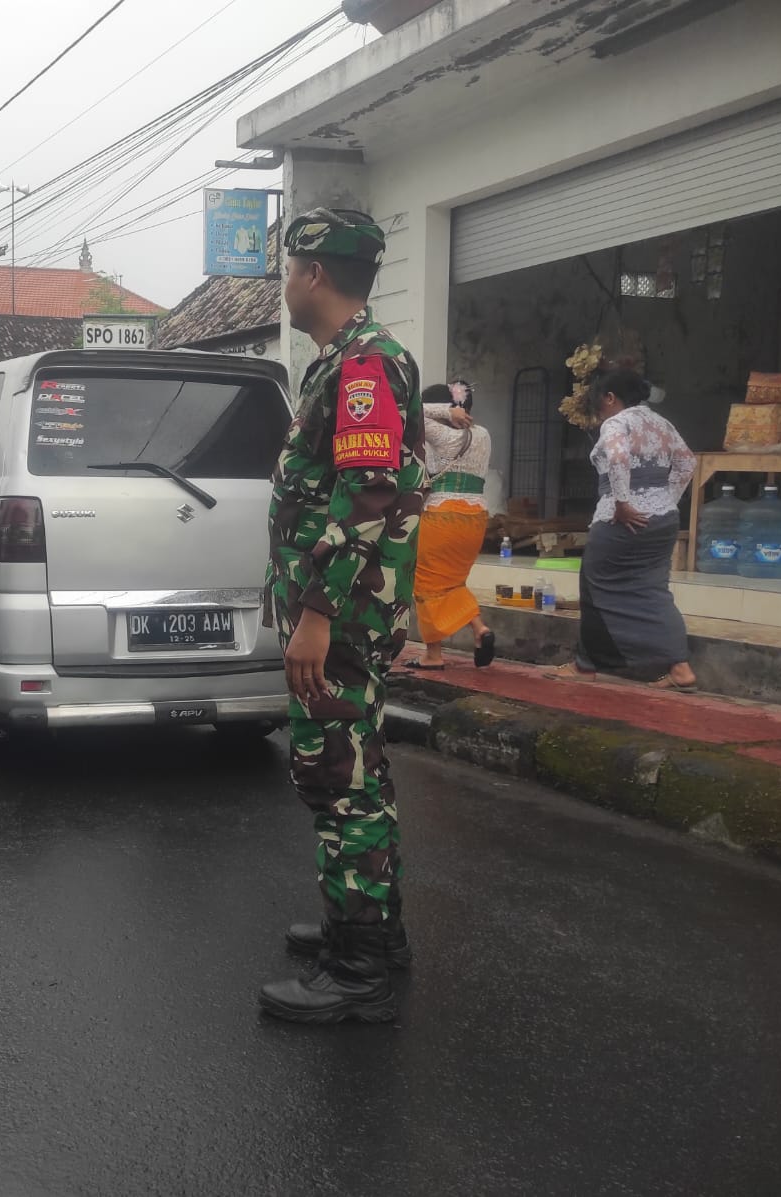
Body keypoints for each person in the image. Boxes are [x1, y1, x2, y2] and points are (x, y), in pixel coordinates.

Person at [257, 208, 427, 1024]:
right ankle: (366, 932)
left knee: (338, 777)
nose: (284, 283)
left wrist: (317, 612)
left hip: (344, 616)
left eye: (290, 267)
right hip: (344, 609)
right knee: (357, 769)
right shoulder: (343, 362)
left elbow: (369, 494)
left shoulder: (363, 367)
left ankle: (360, 970)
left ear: (315, 273)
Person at [547, 369, 698, 690]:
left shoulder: (617, 423)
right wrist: (664, 500)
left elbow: (618, 458)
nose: (599, 413)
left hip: (621, 520)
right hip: (663, 519)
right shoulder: (662, 423)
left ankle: (586, 665)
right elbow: (687, 463)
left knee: (594, 588)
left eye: (599, 404)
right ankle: (680, 668)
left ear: (611, 398)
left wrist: (623, 502)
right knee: (654, 590)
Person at [405, 380, 496, 670]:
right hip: (476, 517)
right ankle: (480, 630)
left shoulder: (441, 436)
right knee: (452, 581)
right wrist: (453, 409)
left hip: (442, 516)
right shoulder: (482, 434)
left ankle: (433, 655)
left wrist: (445, 411)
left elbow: (409, 411)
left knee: (427, 583)